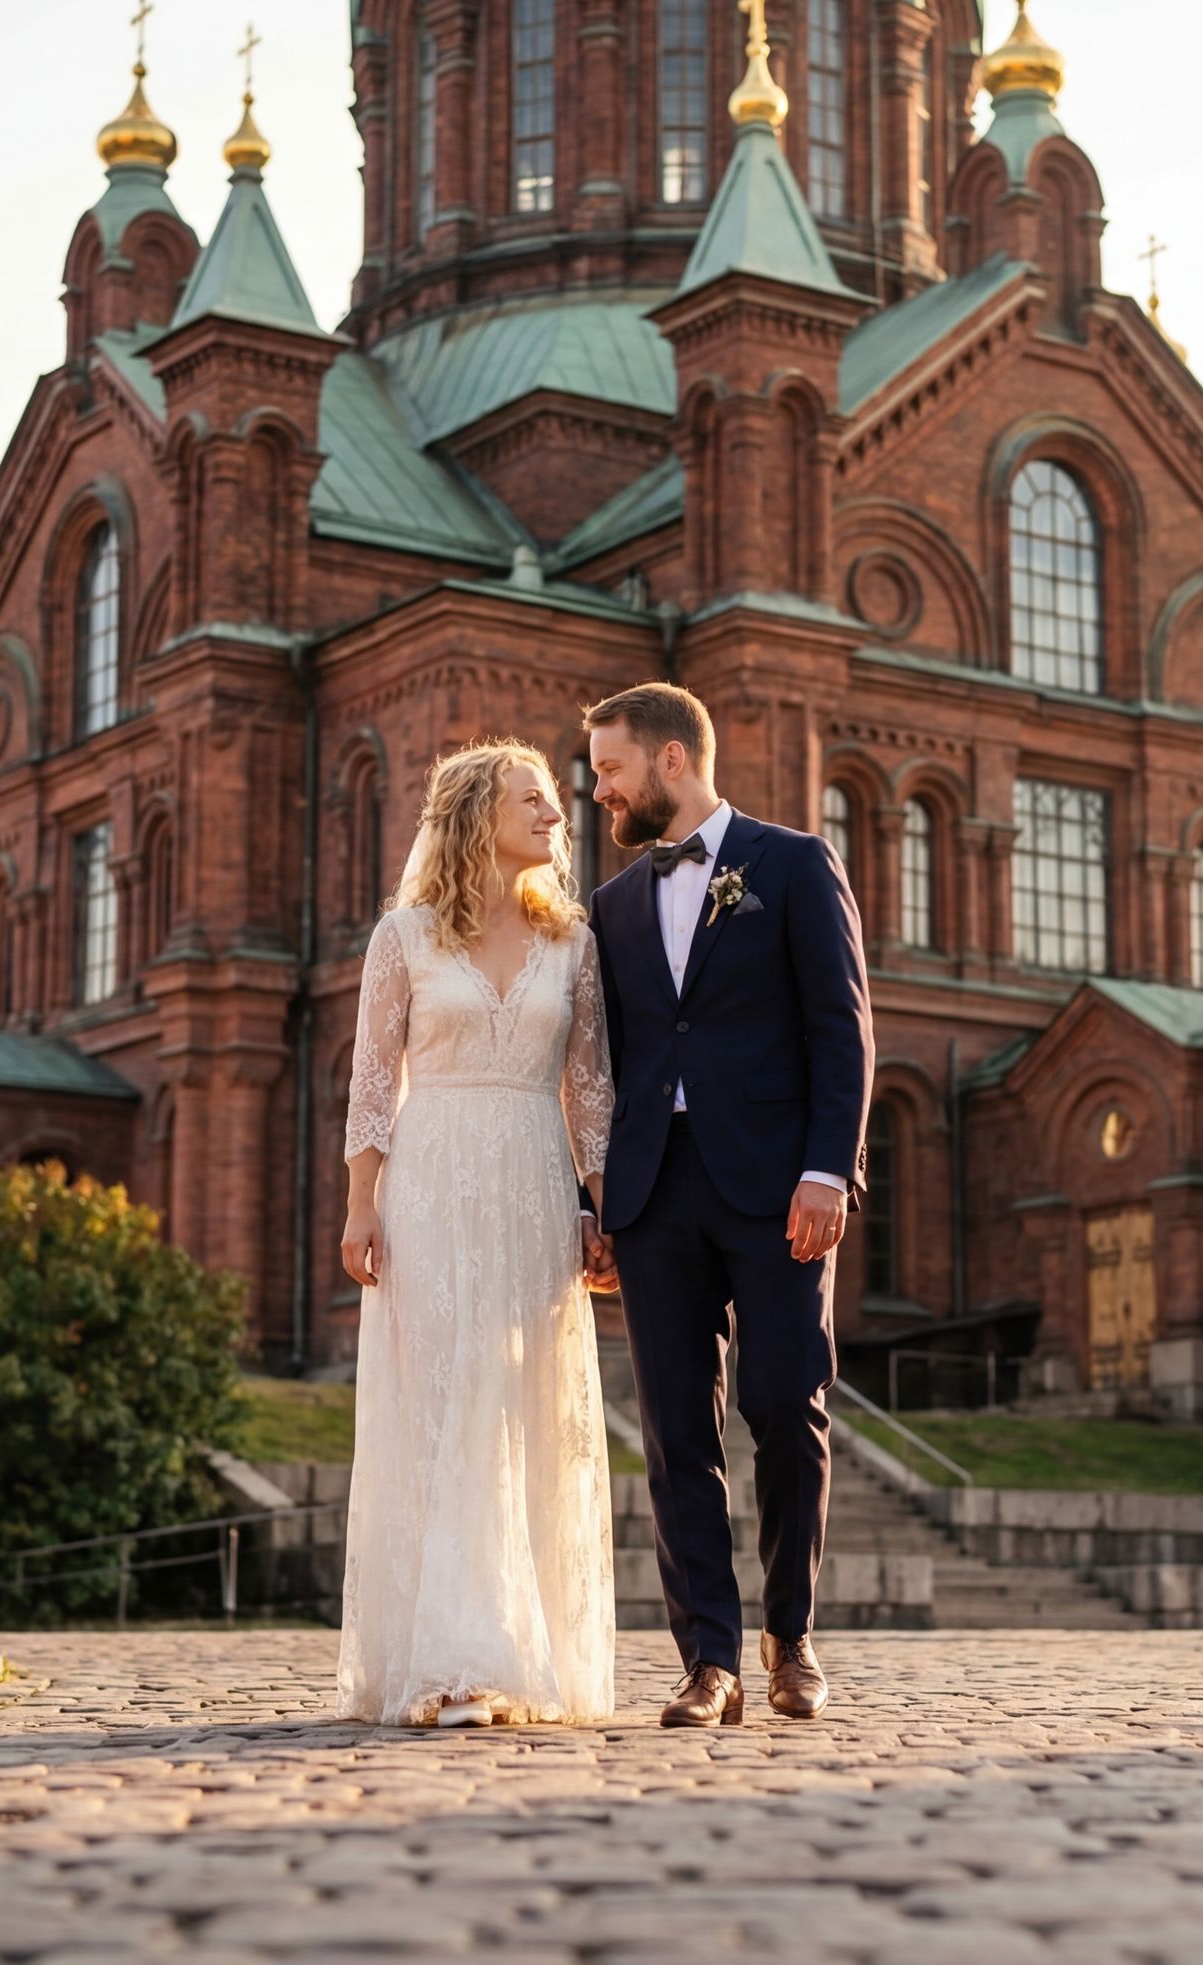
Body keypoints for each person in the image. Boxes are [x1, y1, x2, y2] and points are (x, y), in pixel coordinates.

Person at [580, 683, 871, 1726]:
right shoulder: (608, 907)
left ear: (669, 761)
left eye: (611, 768)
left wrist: (828, 1171)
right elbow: (601, 1063)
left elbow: (841, 1028)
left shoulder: (793, 864)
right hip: (655, 1190)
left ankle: (789, 1637)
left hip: (779, 1186)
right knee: (673, 1429)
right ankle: (708, 1659)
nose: (599, 789)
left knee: (787, 1407)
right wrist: (595, 1196)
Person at [335, 740, 617, 1727]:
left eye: (555, 802)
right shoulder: (403, 937)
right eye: (533, 799)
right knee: (445, 1400)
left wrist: (601, 1204)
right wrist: (361, 1203)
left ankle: (519, 1651)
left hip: (535, 1180)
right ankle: (449, 1661)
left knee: (520, 1401)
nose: (555, 815)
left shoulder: (574, 943)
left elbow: (589, 1087)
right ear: (474, 816)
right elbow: (373, 1081)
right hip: (431, 1183)